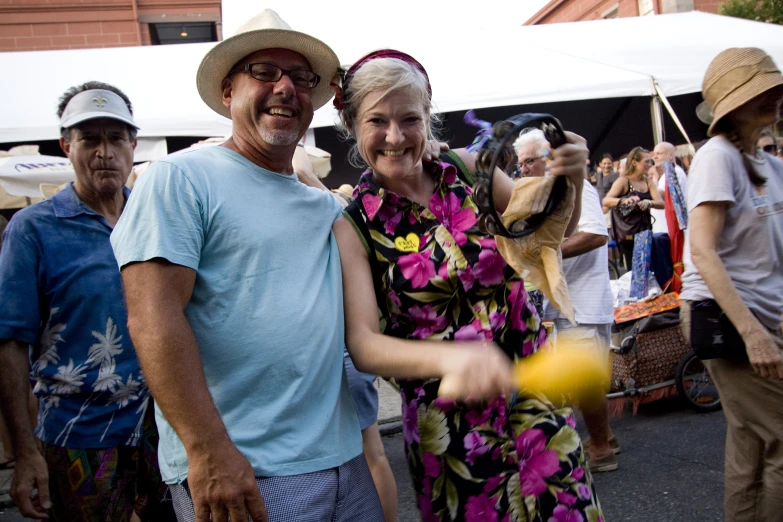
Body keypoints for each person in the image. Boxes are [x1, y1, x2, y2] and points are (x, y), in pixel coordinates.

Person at [110, 11, 512, 522]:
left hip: (343, 460)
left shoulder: (329, 211)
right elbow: (152, 317)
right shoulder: (181, 177)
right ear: (228, 89)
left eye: (301, 78)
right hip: (248, 470)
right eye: (263, 71)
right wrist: (207, 451)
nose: (285, 88)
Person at [333, 49, 603, 521]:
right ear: (354, 125)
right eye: (377, 120)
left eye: (409, 119)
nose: (395, 137)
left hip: (537, 401)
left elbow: (547, 237)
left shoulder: (470, 169)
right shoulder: (353, 223)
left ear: (428, 118)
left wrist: (572, 178)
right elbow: (364, 344)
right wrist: (453, 355)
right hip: (452, 430)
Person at [0, 82, 174, 521]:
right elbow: (9, 343)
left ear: (134, 145)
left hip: (165, 429)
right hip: (78, 434)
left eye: (116, 138)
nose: (104, 152)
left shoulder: (155, 220)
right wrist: (23, 454)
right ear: (66, 146)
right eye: (89, 138)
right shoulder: (34, 229)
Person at [680, 47, 783, 522]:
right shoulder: (717, 157)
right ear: (732, 103)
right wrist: (754, 333)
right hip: (733, 320)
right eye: (762, 90)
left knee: (754, 442)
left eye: (776, 87)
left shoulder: (767, 163)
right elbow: (702, 250)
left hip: (764, 319)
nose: (775, 96)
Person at [516, 130, 619, 473]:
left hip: (584, 301)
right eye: (520, 163)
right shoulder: (546, 196)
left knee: (585, 382)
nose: (523, 169)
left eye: (529, 161)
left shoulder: (578, 188)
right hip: (566, 304)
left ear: (549, 160)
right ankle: (601, 438)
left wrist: (542, 254)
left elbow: (595, 233)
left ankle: (602, 449)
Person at [603, 146, 664, 269]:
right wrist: (624, 200)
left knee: (648, 268)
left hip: (644, 230)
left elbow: (661, 203)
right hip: (628, 233)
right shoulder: (623, 181)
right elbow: (606, 200)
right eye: (646, 161)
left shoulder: (648, 182)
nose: (649, 164)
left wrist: (649, 202)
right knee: (635, 269)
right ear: (634, 162)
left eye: (650, 161)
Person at [649, 142, 688, 236]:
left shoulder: (674, 173)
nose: (655, 157)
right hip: (665, 229)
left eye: (659, 153)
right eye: (654, 154)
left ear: (670, 155)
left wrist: (654, 178)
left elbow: (657, 196)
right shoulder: (667, 174)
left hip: (670, 230)